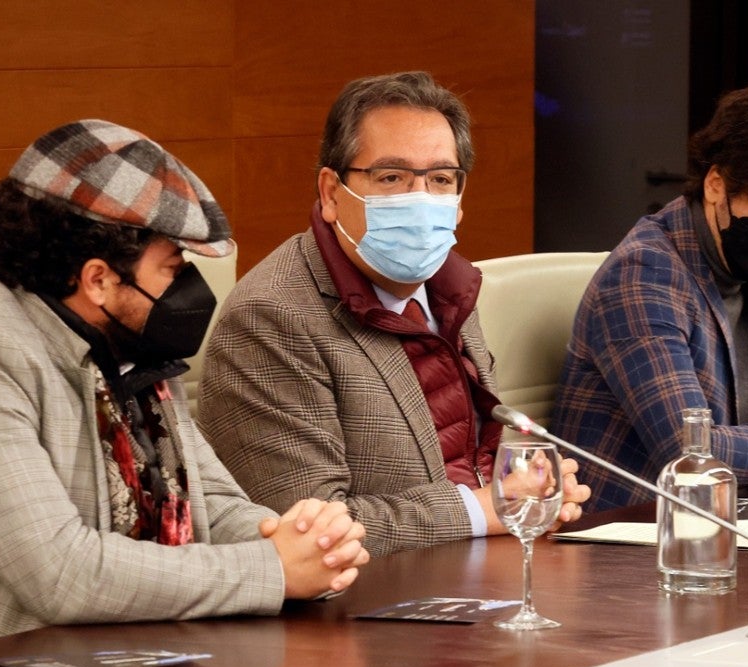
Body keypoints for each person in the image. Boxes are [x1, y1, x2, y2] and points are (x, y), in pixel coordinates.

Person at [0, 120, 369, 666]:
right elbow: (61, 572)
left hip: (82, 663)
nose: (188, 290)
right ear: (98, 279)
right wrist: (273, 569)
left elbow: (211, 505)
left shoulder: (118, 340)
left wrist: (303, 544)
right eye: (173, 267)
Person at [198, 71, 589, 556]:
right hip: (360, 609)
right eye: (391, 177)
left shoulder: (449, 290)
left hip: (480, 573)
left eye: (441, 179)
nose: (420, 199)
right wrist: (484, 509)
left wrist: (532, 495)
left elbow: (476, 466)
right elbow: (307, 531)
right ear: (330, 193)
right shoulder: (272, 318)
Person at [551, 80, 748, 511]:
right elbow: (691, 451)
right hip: (636, 540)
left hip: (744, 518)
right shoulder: (644, 276)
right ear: (716, 184)